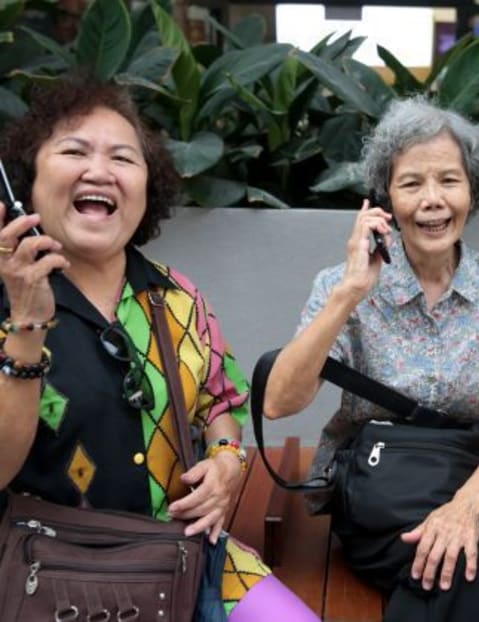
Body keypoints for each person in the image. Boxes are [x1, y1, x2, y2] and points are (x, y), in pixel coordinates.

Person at [0, 75, 320, 622]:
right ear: (27, 184)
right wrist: (26, 324)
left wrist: (225, 464)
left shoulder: (177, 296)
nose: (99, 170)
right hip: (51, 568)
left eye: (123, 158)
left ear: (148, 188)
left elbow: (223, 401)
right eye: (74, 150)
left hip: (185, 556)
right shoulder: (9, 305)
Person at [263, 97, 479, 622]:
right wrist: (350, 291)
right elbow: (280, 402)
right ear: (384, 199)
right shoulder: (340, 285)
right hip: (376, 495)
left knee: (458, 560)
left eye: (449, 181)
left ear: (473, 191)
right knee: (464, 565)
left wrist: (465, 506)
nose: (432, 201)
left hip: (469, 485)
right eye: (412, 183)